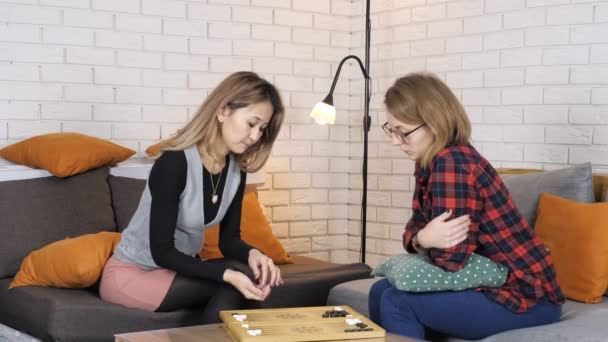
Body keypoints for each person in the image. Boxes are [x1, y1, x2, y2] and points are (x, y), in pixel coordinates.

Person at [369, 72, 565, 340]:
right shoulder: (429, 161)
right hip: (492, 284)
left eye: (402, 132)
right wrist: (422, 239)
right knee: (380, 291)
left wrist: (423, 240)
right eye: (391, 130)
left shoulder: (453, 163)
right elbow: (413, 232)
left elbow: (451, 259)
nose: (395, 142)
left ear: (434, 124)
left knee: (396, 300)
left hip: (526, 296)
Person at [100, 71, 285, 323]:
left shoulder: (235, 172)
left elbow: (229, 241)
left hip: (173, 272)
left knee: (247, 277)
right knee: (235, 282)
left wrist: (255, 254)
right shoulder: (174, 161)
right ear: (223, 111)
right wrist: (227, 274)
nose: (255, 136)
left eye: (262, 129)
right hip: (133, 274)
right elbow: (162, 251)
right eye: (251, 123)